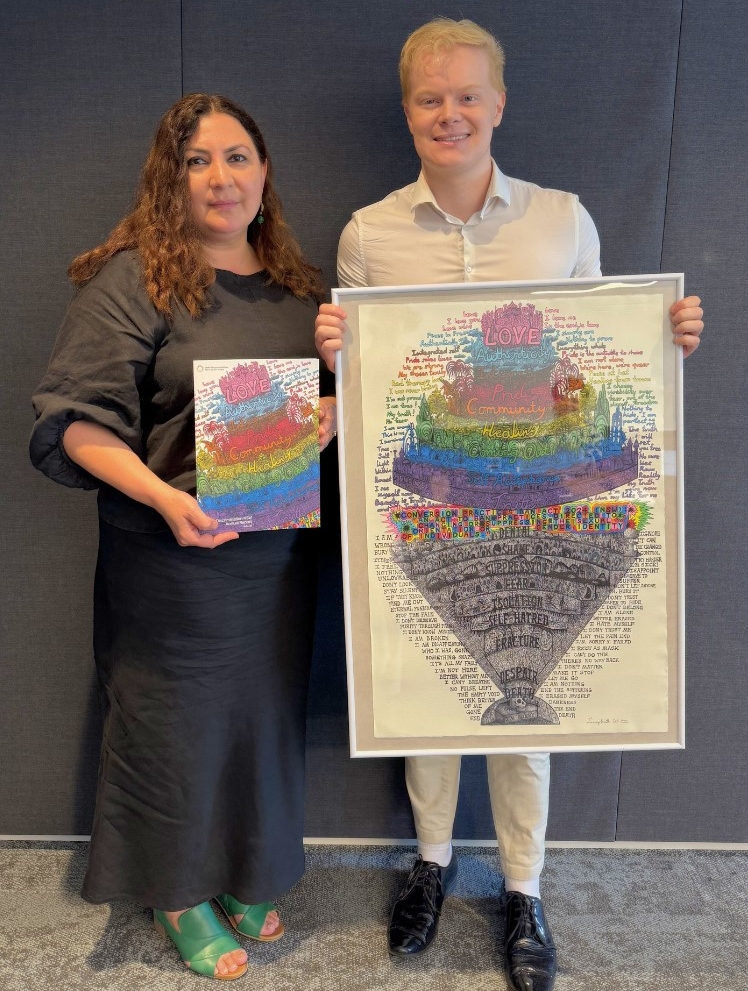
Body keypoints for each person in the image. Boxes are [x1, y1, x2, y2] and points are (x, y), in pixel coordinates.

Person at [315, 18, 703, 991]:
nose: (448, 113)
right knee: (425, 690)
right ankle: (433, 864)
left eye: (465, 95)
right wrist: (334, 352)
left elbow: (594, 354)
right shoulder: (368, 232)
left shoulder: (560, 218)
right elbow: (363, 385)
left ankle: (525, 888)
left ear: (497, 103)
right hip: (431, 494)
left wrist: (663, 341)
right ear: (408, 111)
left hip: (544, 496)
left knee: (532, 707)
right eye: (428, 97)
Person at [31, 93, 336, 981]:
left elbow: (348, 403)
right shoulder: (134, 280)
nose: (221, 178)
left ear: (265, 171)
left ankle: (244, 870)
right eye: (198, 161)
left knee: (257, 723)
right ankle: (177, 893)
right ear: (171, 178)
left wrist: (329, 409)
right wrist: (166, 499)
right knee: (174, 727)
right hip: (170, 557)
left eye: (238, 157)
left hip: (275, 561)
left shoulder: (299, 287)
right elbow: (75, 426)